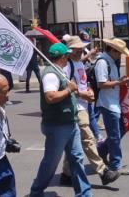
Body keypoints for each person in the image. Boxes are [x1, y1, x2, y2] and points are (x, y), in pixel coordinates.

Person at [29, 42, 91, 196]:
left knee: (76, 158)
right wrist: (69, 89)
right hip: (58, 125)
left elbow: (65, 93)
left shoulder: (59, 71)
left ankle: (84, 193)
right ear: (63, 57)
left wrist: (74, 92)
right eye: (67, 55)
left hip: (69, 122)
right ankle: (36, 191)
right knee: (50, 162)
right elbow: (50, 97)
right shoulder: (51, 74)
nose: (68, 57)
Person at [59, 36, 120, 187]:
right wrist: (82, 94)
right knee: (87, 138)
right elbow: (65, 89)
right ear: (71, 50)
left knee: (74, 142)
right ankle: (103, 171)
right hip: (76, 107)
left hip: (84, 105)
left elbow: (83, 82)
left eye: (81, 48)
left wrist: (89, 90)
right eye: (78, 48)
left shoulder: (79, 62)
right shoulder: (66, 66)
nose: (81, 51)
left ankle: (66, 174)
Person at [97, 38, 129, 177]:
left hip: (114, 101)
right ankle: (115, 165)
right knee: (114, 135)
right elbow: (102, 83)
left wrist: (121, 81)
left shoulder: (110, 61)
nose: (120, 56)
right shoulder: (102, 62)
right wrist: (119, 82)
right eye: (119, 53)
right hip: (107, 103)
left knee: (120, 130)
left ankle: (103, 149)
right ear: (112, 50)